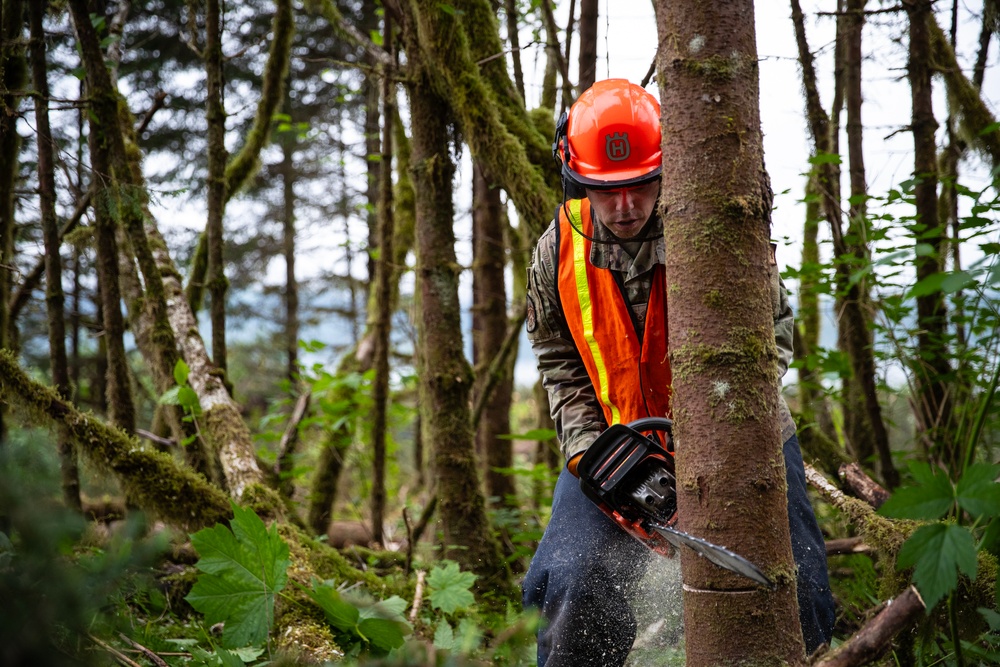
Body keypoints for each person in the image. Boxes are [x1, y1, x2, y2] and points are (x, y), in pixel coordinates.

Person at [522, 78, 836, 666]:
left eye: (640, 186)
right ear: (577, 180)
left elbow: (774, 336)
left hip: (742, 432)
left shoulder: (719, 233)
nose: (624, 207)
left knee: (799, 585)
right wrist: (594, 453)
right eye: (605, 191)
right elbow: (559, 364)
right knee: (569, 581)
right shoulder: (554, 252)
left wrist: (712, 442)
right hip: (615, 439)